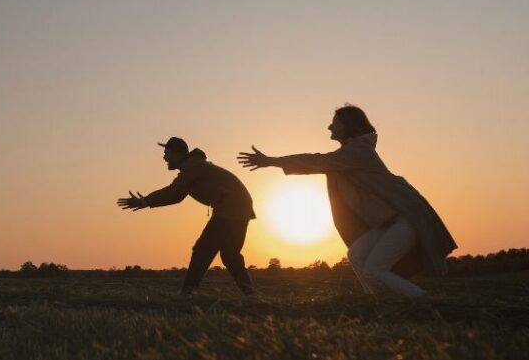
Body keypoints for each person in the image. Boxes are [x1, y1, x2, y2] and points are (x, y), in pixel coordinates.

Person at [238, 105, 456, 299]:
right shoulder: (349, 153)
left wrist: (270, 161)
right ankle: (381, 302)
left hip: (406, 218)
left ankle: (424, 301)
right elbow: (318, 163)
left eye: (335, 122)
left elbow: (316, 161)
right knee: (357, 254)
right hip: (390, 222)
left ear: (348, 125)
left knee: (374, 270)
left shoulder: (358, 151)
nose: (329, 127)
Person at [117, 137, 256, 295]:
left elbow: (174, 191)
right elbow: (177, 195)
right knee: (230, 255)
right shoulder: (193, 166)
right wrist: (147, 201)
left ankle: (187, 292)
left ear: (177, 154)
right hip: (239, 206)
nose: (164, 158)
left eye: (167, 153)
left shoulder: (192, 166)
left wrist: (145, 201)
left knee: (203, 249)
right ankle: (250, 294)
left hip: (231, 207)